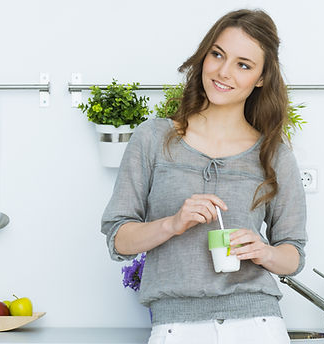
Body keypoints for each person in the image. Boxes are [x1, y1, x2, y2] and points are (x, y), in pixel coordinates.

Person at [101, 9, 307, 344]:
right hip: (175, 328)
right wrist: (173, 223)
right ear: (204, 56)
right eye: (217, 55)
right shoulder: (153, 138)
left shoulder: (274, 154)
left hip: (258, 326)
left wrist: (263, 252)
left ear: (260, 78)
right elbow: (119, 239)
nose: (224, 72)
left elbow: (293, 253)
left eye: (243, 64)